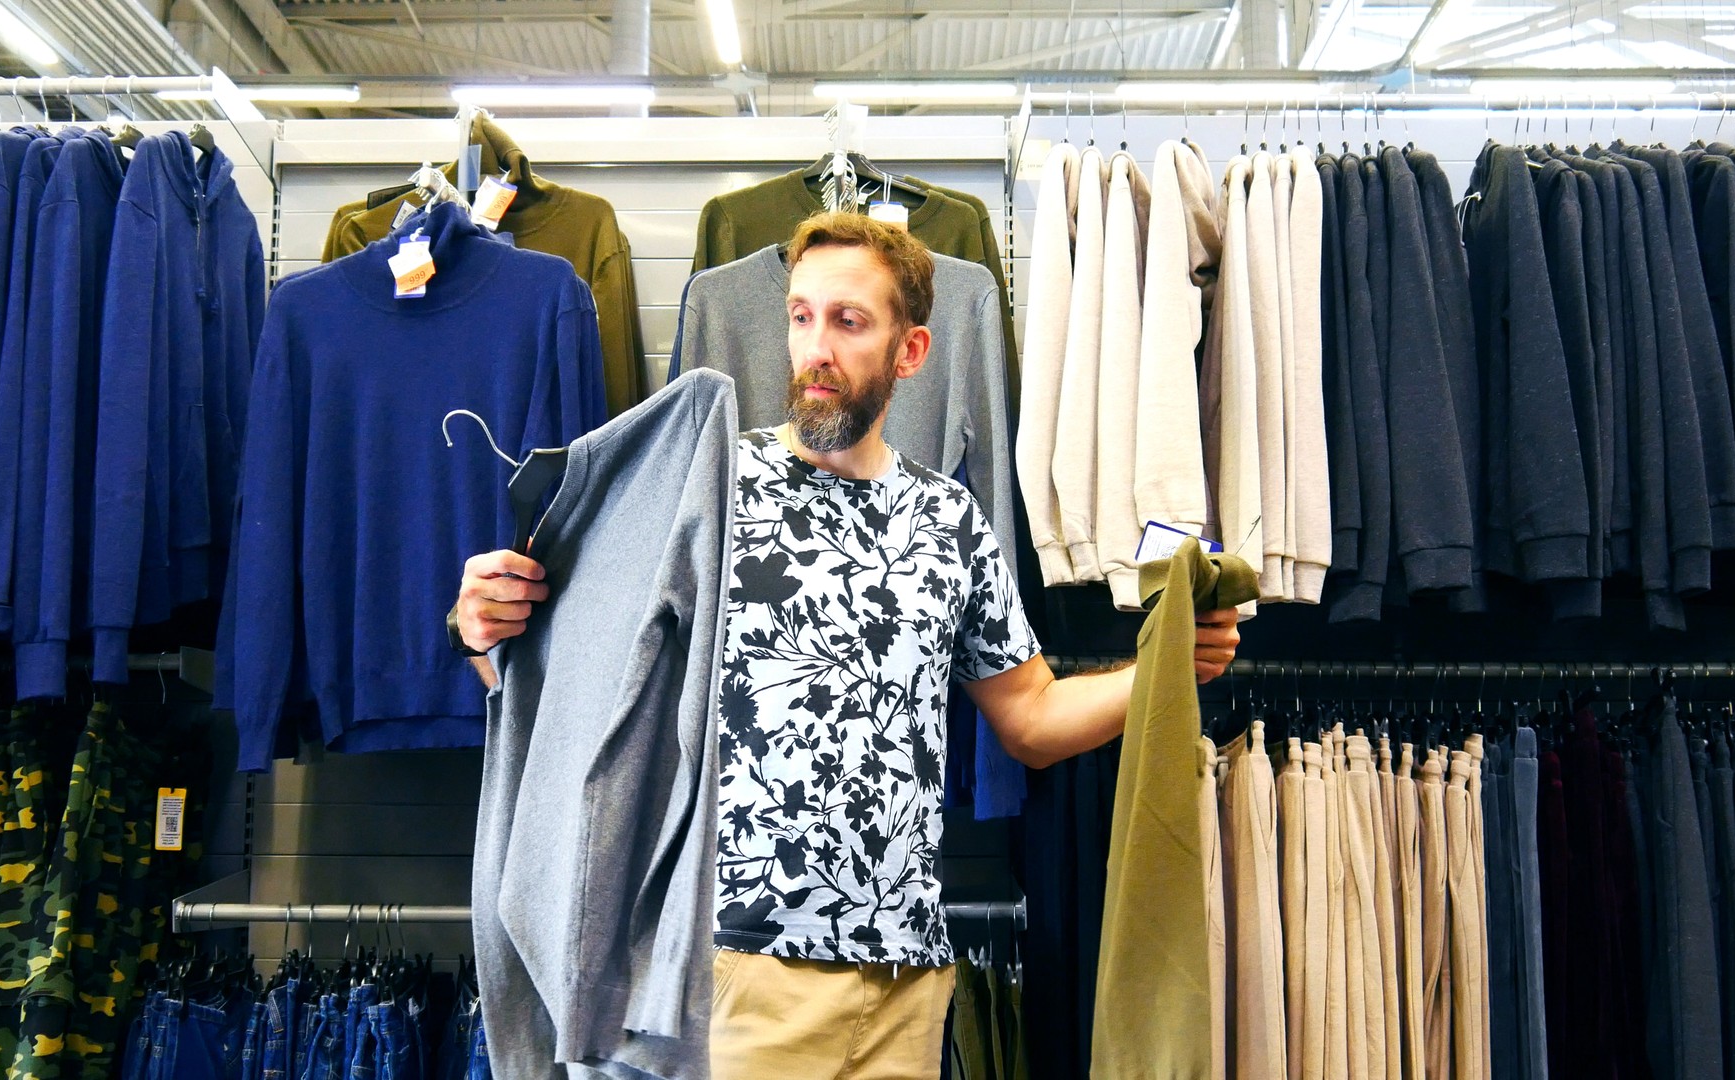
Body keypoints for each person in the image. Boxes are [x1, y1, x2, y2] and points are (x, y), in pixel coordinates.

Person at [452, 211, 1242, 1078]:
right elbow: (569, 671)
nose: (815, 348)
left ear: (910, 353)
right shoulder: (707, 488)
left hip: (907, 982)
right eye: (801, 316)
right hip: (738, 972)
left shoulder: (950, 519)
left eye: (848, 321)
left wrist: (1163, 670)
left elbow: (1031, 714)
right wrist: (483, 625)